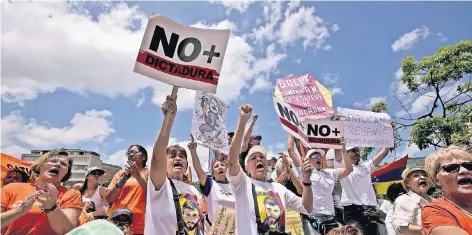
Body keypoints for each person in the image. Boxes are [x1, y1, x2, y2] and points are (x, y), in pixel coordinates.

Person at [228, 104, 314, 235]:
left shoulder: (279, 188)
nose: (259, 159)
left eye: (262, 156)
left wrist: (307, 182)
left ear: (267, 163)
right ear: (246, 167)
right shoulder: (242, 184)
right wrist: (243, 121)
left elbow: (307, 207)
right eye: (253, 158)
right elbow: (232, 160)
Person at [144, 95, 204, 235]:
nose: (178, 159)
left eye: (182, 157)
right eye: (173, 156)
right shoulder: (159, 185)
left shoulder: (195, 192)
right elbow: (157, 157)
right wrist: (169, 120)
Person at [1, 149, 82, 234]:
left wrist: (52, 207)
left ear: (67, 172)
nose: (58, 164)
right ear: (40, 165)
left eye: (63, 164)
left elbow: (67, 231)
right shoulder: (11, 188)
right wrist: (19, 211)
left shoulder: (72, 194)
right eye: (53, 161)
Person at [301, 138, 353, 235]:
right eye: (315, 156)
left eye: (320, 156)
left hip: (331, 219)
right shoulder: (304, 174)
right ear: (308, 160)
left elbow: (349, 169)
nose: (318, 158)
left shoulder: (330, 173)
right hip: (313, 219)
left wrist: (344, 149)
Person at [334, 145, 390, 235]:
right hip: (353, 212)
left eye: (357, 151)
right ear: (346, 153)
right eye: (353, 150)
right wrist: (337, 142)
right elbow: (337, 154)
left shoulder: (366, 166)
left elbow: (385, 151)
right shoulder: (342, 167)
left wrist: (388, 138)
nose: (357, 153)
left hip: (371, 211)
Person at [188, 134, 235, 233]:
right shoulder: (210, 185)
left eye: (222, 165)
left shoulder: (234, 185)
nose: (220, 167)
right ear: (213, 173)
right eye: (216, 166)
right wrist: (193, 151)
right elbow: (198, 169)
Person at [421, 146, 472, 235]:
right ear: (436, 180)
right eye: (451, 168)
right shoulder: (434, 211)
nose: (464, 171)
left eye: (469, 166)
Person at [105, 144, 148, 235]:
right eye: (129, 152)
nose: (131, 154)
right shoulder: (120, 173)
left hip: (141, 225)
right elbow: (109, 199)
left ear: (143, 157)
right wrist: (124, 177)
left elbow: (154, 195)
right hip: (117, 225)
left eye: (134, 152)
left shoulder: (149, 172)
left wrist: (137, 176)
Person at [391, 168, 432, 235]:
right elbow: (399, 225)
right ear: (407, 183)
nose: (422, 177)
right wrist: (428, 230)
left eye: (425, 175)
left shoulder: (435, 201)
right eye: (416, 175)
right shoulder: (404, 199)